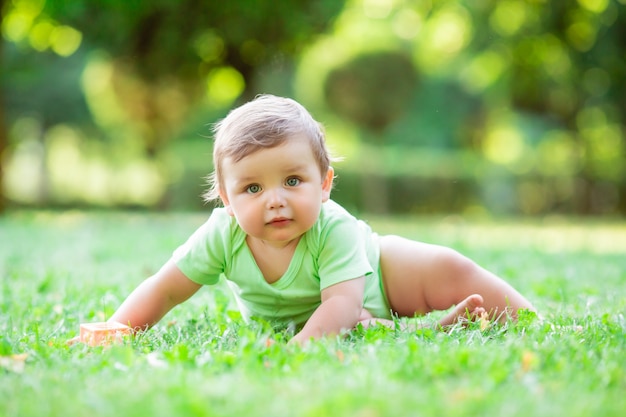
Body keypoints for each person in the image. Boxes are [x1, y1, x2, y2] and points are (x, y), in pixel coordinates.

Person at [99, 94, 535, 345]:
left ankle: (533, 320)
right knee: (357, 331)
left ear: (324, 183)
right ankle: (431, 330)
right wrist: (118, 329)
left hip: (376, 279)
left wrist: (299, 354)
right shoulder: (222, 235)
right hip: (330, 317)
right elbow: (165, 288)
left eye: (292, 180)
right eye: (252, 189)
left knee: (447, 267)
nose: (275, 201)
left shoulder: (334, 227)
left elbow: (342, 304)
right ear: (227, 200)